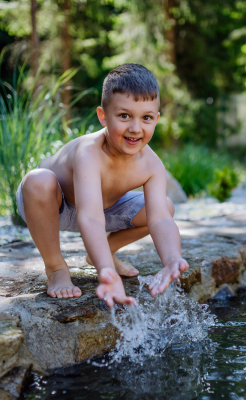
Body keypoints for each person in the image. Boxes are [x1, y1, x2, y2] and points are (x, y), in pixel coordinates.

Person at [16, 63, 189, 307]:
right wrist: (106, 271)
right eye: (124, 116)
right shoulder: (89, 152)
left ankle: (104, 250)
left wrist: (172, 259)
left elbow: (159, 219)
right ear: (103, 116)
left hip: (105, 209)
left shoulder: (152, 165)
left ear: (157, 119)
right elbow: (91, 218)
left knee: (166, 207)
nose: (135, 128)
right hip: (52, 205)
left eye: (146, 118)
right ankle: (56, 268)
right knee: (38, 180)